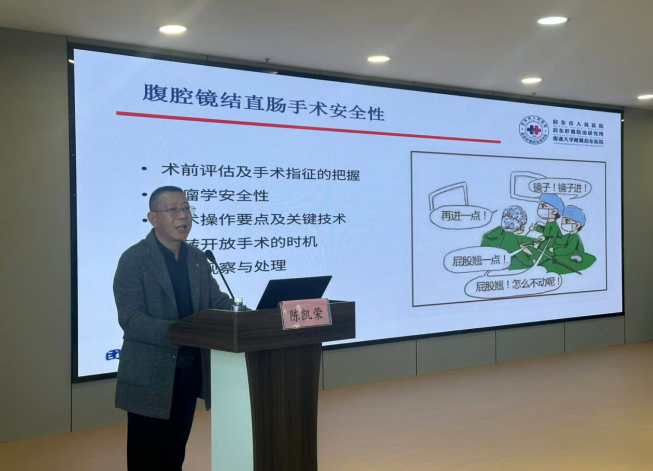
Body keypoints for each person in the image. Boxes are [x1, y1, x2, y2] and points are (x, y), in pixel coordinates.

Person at [113, 186, 234, 471]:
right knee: (146, 459)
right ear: (153, 218)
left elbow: (217, 302)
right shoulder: (134, 259)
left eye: (186, 208)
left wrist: (248, 315)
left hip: (189, 373)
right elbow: (131, 318)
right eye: (173, 210)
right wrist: (181, 331)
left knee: (174, 454)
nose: (183, 216)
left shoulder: (197, 259)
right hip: (151, 375)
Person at [542, 205, 596, 274]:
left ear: (577, 225)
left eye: (566, 221)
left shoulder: (574, 237)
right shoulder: (569, 235)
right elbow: (561, 240)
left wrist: (554, 250)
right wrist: (550, 241)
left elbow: (568, 249)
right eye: (563, 221)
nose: (563, 224)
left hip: (574, 254)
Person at [481, 205, 534, 270]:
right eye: (522, 224)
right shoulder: (509, 236)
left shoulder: (488, 235)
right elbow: (525, 260)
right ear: (518, 224)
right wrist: (532, 261)